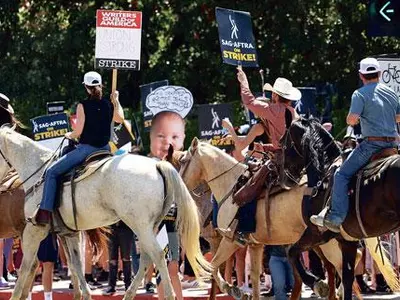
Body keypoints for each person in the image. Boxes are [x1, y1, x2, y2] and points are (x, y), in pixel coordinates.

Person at [311, 57, 400, 232]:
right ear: (380, 74)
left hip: (371, 146)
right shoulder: (391, 93)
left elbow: (351, 120)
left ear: (361, 75)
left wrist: (353, 119)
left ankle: (336, 217)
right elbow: (398, 117)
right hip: (392, 146)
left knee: (341, 174)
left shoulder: (359, 94)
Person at [35, 71, 124, 224]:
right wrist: (116, 101)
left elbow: (79, 132)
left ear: (86, 87)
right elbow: (120, 119)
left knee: (51, 172)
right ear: (100, 85)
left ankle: (45, 212)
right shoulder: (108, 104)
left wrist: (69, 135)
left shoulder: (83, 105)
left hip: (87, 149)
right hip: (105, 149)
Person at [149, 111, 184, 300]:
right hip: (163, 226)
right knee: (165, 269)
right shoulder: (157, 169)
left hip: (170, 227)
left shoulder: (174, 170)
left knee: (170, 269)